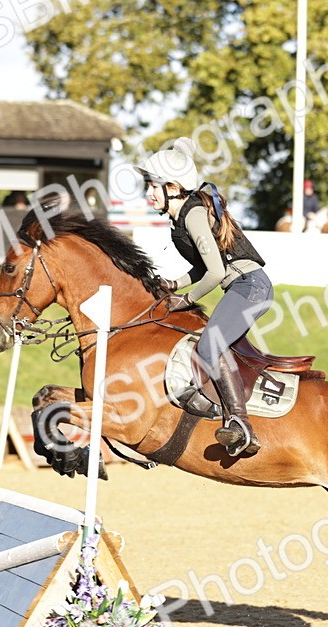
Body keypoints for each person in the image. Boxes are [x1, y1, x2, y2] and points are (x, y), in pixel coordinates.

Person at [136, 138, 273, 457]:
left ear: (172, 186)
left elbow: (213, 272)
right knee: (210, 342)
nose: (147, 194)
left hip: (250, 286)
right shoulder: (180, 219)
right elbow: (202, 268)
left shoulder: (193, 214)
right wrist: (174, 283)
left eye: (152, 187)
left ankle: (241, 426)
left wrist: (185, 299)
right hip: (242, 286)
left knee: (210, 344)